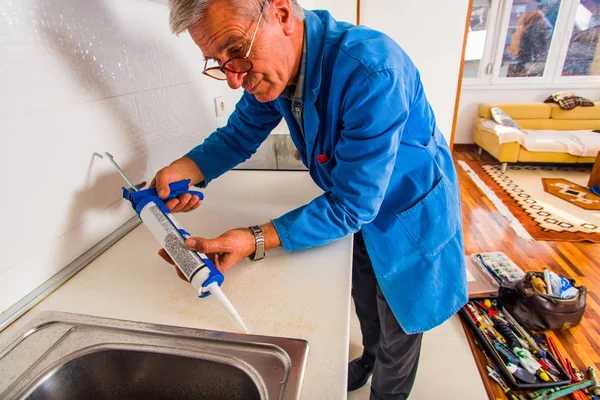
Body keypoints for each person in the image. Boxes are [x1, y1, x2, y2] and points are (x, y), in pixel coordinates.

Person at [154, 0, 468, 398]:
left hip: (406, 213)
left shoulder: (373, 70)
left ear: (282, 15)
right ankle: (370, 358)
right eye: (218, 61)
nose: (234, 79)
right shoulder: (278, 69)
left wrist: (254, 239)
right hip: (356, 208)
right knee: (365, 296)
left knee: (399, 323)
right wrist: (184, 170)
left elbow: (353, 204)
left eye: (235, 49)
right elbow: (240, 134)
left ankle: (387, 392)